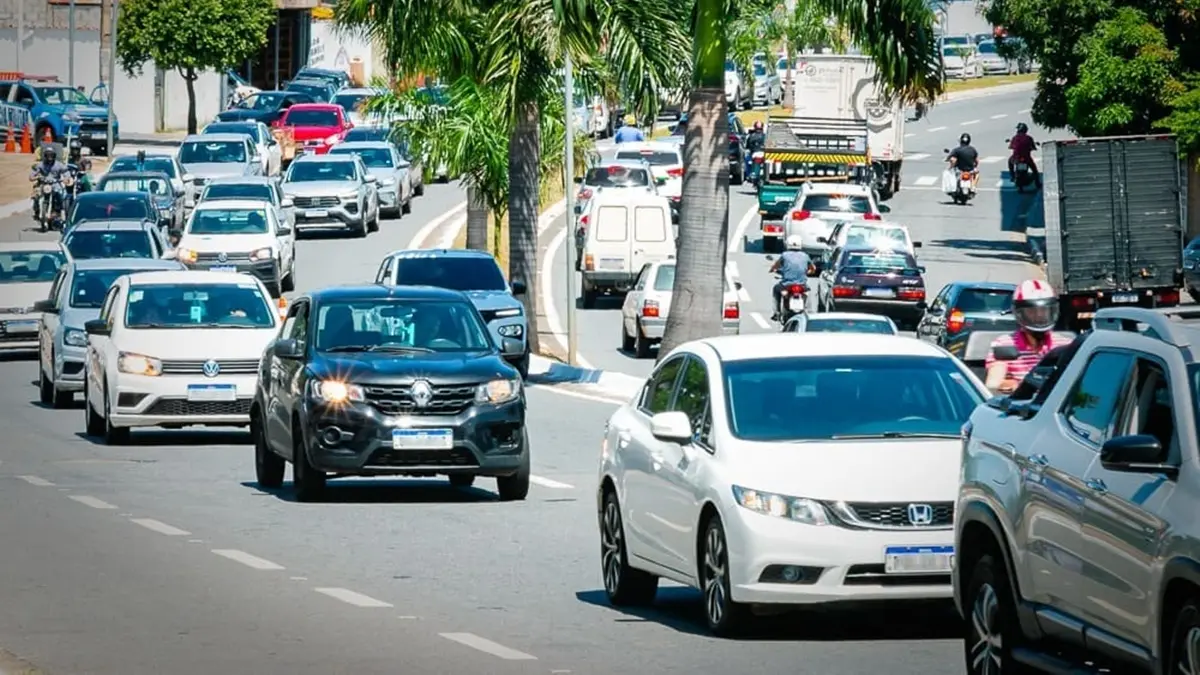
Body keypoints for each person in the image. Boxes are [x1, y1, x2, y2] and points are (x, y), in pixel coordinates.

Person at [984, 279, 1070, 393]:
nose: (1039, 316)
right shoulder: (1004, 344)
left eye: (1044, 310)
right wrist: (1011, 385)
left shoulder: (1066, 345)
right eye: (1032, 311)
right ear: (1019, 313)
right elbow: (992, 384)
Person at [769, 236, 814, 321]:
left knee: (776, 289)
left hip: (786, 285)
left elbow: (777, 265)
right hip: (802, 285)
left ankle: (776, 313)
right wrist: (808, 272)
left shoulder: (784, 255)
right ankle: (809, 312)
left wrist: (772, 269)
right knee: (808, 292)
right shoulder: (805, 256)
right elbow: (812, 268)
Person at [28, 146, 70, 221]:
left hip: (55, 184)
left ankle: (59, 211)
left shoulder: (59, 165)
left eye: (51, 155)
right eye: (48, 155)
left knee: (60, 195)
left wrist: (66, 178)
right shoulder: (40, 165)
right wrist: (34, 177)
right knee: (36, 195)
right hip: (43, 184)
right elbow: (33, 173)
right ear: (45, 156)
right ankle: (36, 210)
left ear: (54, 156)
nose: (49, 157)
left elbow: (66, 172)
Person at [1008, 122, 1041, 188]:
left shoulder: (1015, 138)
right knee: (1035, 170)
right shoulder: (1029, 138)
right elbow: (1033, 147)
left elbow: (1011, 146)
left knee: (1009, 162)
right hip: (1027, 158)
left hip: (1016, 158)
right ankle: (1037, 183)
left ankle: (1012, 176)